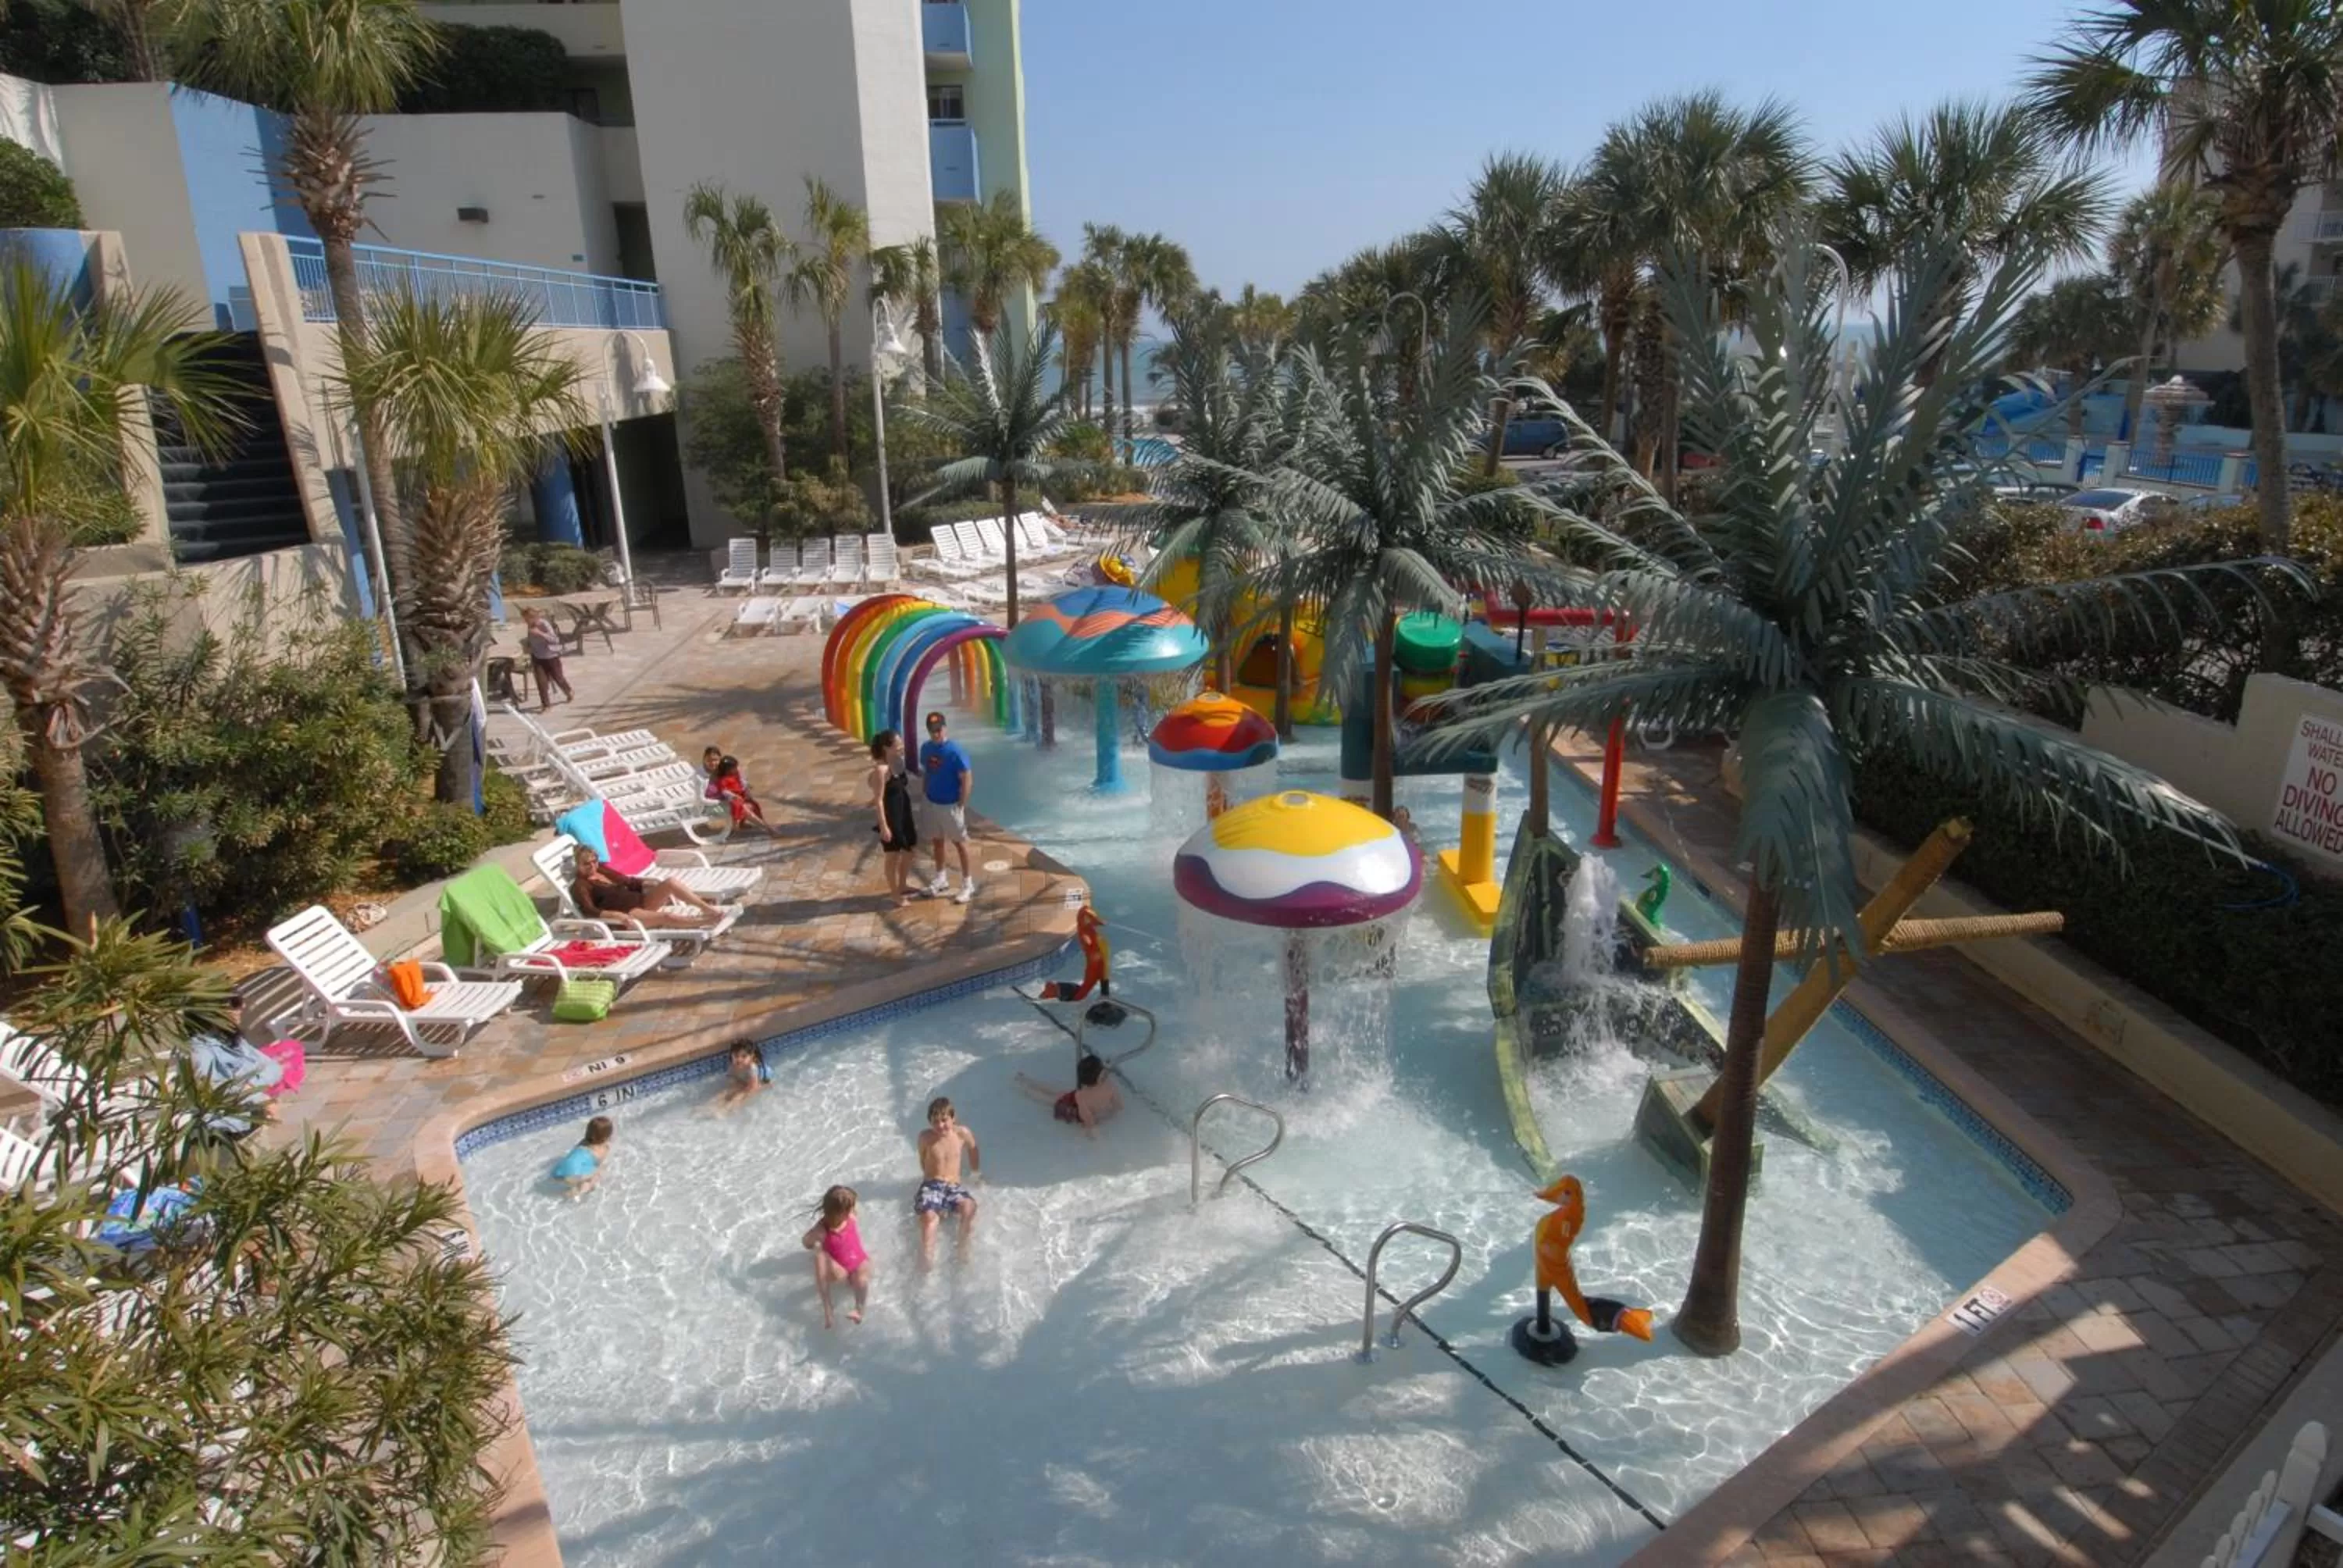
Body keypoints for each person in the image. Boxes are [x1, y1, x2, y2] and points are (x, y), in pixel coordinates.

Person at [569, 843, 723, 929]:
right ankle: (705, 922)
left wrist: (648, 883)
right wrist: (616, 916)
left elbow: (627, 881)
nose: (592, 866)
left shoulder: (601, 869)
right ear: (578, 865)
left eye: (594, 861)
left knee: (670, 882)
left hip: (641, 901)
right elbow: (589, 911)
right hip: (629, 914)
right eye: (586, 864)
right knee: (666, 917)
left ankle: (706, 908)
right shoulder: (580, 885)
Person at [916, 711, 975, 903]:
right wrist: (924, 793)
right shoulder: (925, 749)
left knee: (960, 843)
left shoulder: (955, 751)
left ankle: (967, 884)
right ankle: (941, 879)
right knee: (937, 841)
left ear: (945, 728)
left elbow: (967, 777)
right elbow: (926, 772)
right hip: (933, 802)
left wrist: (962, 803)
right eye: (932, 731)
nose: (936, 734)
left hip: (950, 805)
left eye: (939, 730)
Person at [913, 1096, 979, 1264]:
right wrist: (927, 1178)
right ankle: (927, 1258)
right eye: (935, 1122)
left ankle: (962, 1248)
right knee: (929, 1217)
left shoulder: (962, 1134)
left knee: (969, 1207)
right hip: (932, 1184)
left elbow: (973, 1149)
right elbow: (923, 1158)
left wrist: (975, 1173)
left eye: (944, 1120)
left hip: (953, 1186)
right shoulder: (925, 1137)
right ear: (929, 1122)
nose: (940, 1125)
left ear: (953, 1117)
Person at [801, 1185, 872, 1329]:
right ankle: (828, 1307)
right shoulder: (821, 1230)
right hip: (840, 1271)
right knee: (819, 1256)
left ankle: (859, 1309)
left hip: (858, 1263)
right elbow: (805, 1242)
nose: (854, 1209)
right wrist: (813, 1244)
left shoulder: (851, 1216)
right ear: (842, 1212)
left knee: (863, 1275)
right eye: (851, 1207)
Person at [1015, 1052, 1122, 1139]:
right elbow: (1089, 1120)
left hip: (1074, 1098)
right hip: (1071, 1107)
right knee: (1048, 1100)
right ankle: (1024, 1088)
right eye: (1102, 1068)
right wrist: (1100, 1126)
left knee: (1055, 1093)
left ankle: (1025, 1080)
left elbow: (1117, 1106)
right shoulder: (1109, 1085)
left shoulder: (1083, 1094)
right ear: (1100, 1076)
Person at [868, 729, 920, 905]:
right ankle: (895, 894)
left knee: (910, 851)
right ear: (886, 748)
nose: (902, 747)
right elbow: (879, 800)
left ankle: (903, 884)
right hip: (892, 819)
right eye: (898, 745)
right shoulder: (881, 770)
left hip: (904, 814)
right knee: (892, 857)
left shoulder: (898, 763)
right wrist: (884, 826)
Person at [520, 607, 573, 711]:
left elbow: (555, 640)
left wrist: (540, 634)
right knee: (541, 682)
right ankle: (546, 705)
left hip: (551, 656)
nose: (526, 622)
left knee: (558, 678)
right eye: (525, 620)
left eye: (527, 619)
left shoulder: (544, 624)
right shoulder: (530, 626)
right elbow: (531, 640)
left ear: (534, 617)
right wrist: (527, 646)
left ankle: (568, 691)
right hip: (537, 657)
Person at [711, 755, 777, 836]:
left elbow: (742, 783)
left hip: (740, 799)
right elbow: (724, 791)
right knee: (747, 811)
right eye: (734, 768)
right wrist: (734, 796)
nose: (736, 769)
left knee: (753, 805)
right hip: (731, 802)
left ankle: (745, 824)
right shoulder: (723, 780)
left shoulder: (735, 775)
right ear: (728, 770)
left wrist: (746, 789)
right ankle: (768, 829)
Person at [551, 1115, 613, 1198]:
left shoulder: (583, 1142)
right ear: (606, 1136)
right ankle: (577, 1192)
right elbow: (599, 1165)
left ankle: (571, 1189)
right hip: (576, 1175)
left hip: (560, 1171)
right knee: (596, 1176)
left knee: (566, 1179)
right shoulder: (603, 1149)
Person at [712, 1040, 769, 1114]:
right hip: (745, 1082)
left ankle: (727, 1110)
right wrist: (734, 1087)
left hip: (760, 1084)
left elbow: (753, 1087)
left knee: (740, 1096)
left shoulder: (752, 1067)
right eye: (736, 1056)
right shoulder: (733, 1066)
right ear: (731, 1055)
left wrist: (742, 1092)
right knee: (726, 1092)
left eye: (744, 1056)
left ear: (751, 1057)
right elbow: (731, 1077)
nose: (739, 1059)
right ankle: (710, 1106)